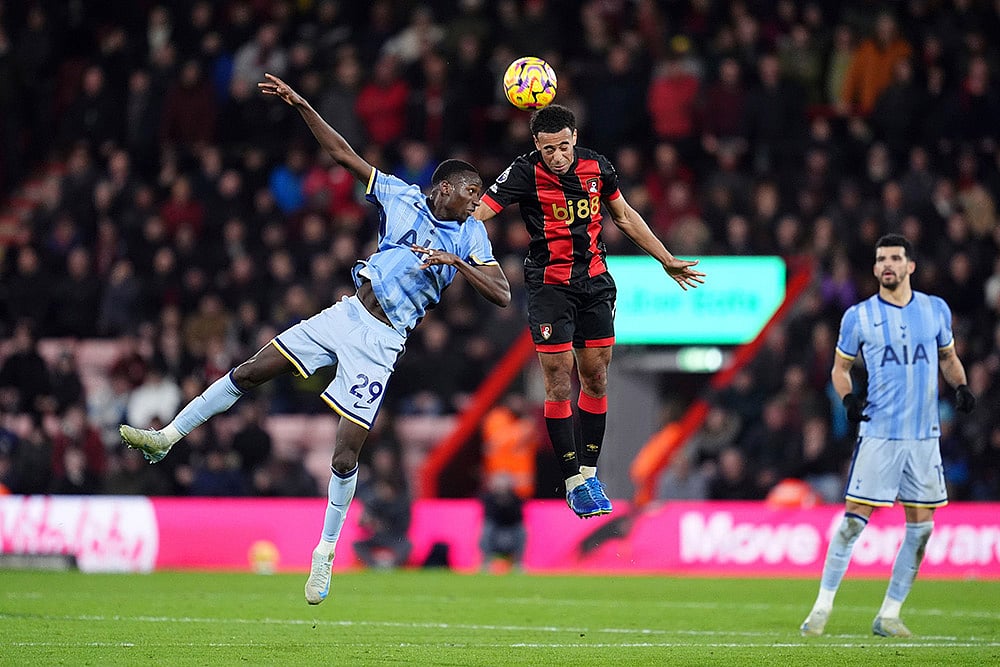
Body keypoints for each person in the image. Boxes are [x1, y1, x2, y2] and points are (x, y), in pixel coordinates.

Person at [120, 73, 510, 605]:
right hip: (346, 314)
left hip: (383, 341)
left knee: (346, 454)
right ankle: (167, 438)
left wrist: (456, 261)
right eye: (471, 191)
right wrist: (303, 105)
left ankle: (324, 552)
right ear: (445, 187)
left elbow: (503, 293)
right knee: (253, 370)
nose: (477, 200)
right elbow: (342, 153)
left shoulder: (472, 235)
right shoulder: (400, 196)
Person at [474, 104, 705, 518]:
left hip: (595, 284)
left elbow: (625, 216)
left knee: (596, 378)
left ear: (574, 139)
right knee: (558, 379)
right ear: (536, 147)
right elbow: (479, 214)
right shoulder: (524, 172)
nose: (558, 156)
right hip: (549, 287)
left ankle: (588, 472)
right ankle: (572, 481)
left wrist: (665, 258)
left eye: (564, 146)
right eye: (549, 150)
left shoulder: (598, 168)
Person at [800, 234, 976, 638]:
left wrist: (962, 387)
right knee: (852, 524)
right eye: (882, 259)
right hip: (880, 433)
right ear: (876, 268)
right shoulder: (858, 317)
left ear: (910, 266)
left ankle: (890, 614)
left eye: (896, 258)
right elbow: (840, 369)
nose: (888, 265)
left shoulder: (935, 310)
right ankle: (821, 608)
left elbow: (949, 358)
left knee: (923, 528)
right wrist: (847, 400)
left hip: (924, 437)